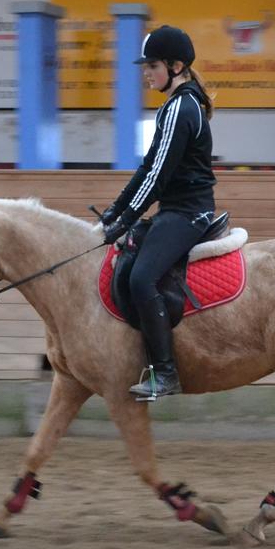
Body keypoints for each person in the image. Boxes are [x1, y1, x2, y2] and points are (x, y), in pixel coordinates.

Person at [99, 25, 217, 400]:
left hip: (188, 213)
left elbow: (158, 177)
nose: (146, 73)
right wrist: (115, 210)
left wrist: (126, 219)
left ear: (176, 66)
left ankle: (165, 373)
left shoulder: (181, 107)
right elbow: (147, 166)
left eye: (152, 66)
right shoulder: (175, 105)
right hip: (176, 209)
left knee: (141, 279)